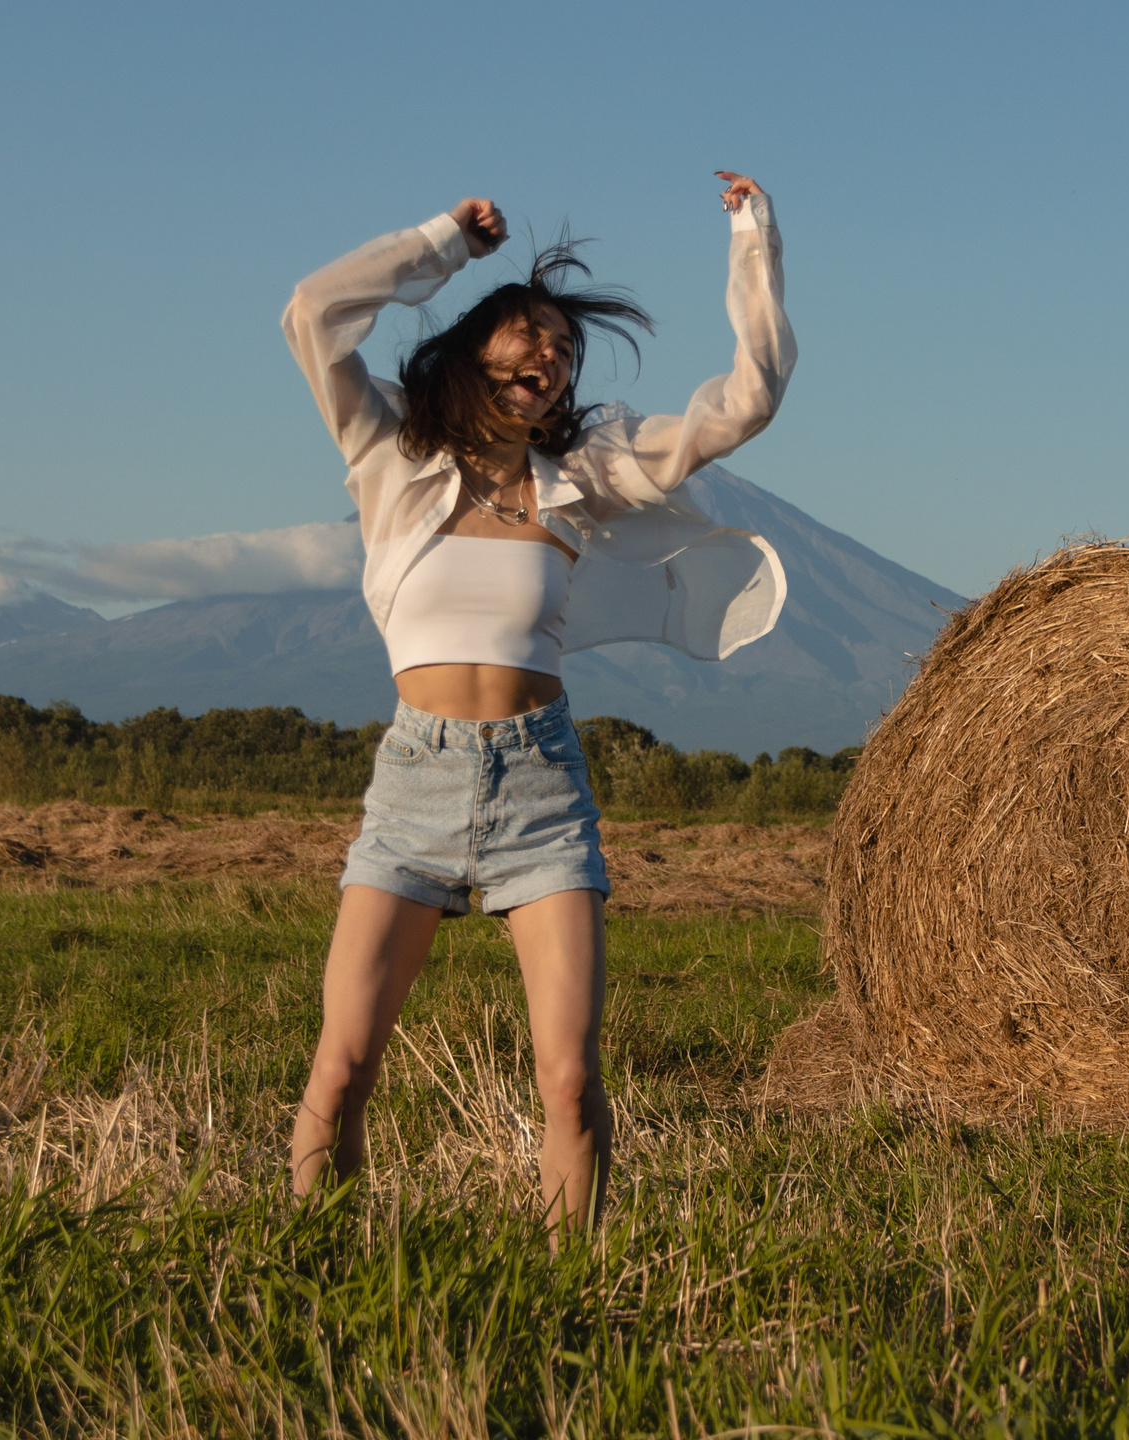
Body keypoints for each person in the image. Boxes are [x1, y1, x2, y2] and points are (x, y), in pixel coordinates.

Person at [280, 173, 793, 1227]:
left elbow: (745, 403)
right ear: (475, 351)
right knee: (343, 1065)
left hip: (541, 785)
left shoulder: (580, 480)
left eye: (564, 347)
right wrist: (443, 243)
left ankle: (578, 1292)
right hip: (415, 782)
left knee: (568, 1076)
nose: (550, 354)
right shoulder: (388, 455)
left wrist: (754, 238)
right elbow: (312, 313)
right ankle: (308, 1265)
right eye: (528, 334)